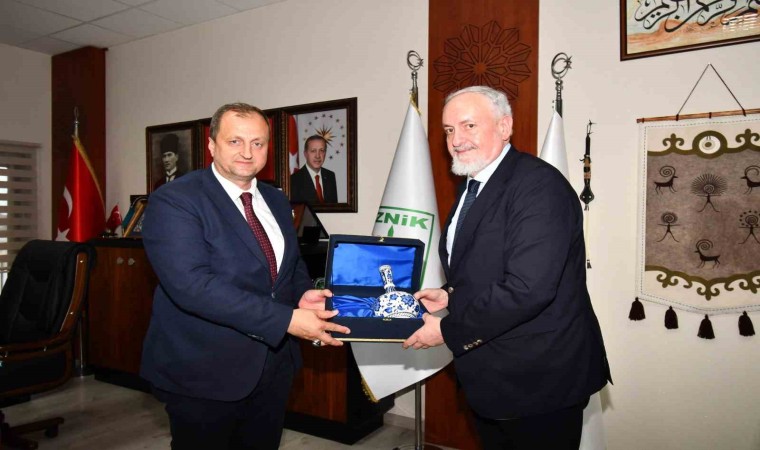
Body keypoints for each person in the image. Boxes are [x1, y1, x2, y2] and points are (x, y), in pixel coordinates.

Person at [403, 86, 611, 450]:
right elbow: (486, 263)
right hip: (494, 379)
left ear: (504, 127)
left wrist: (448, 330)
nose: (456, 140)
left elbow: (529, 288)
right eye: (449, 130)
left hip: (539, 383)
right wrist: (450, 294)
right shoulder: (474, 184)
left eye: (469, 125)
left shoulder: (538, 186)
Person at [140, 102, 350, 450]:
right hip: (203, 371)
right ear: (212, 145)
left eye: (258, 143)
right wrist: (286, 319)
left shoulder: (277, 199)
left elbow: (290, 263)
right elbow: (193, 287)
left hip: (274, 366)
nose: (247, 152)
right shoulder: (175, 200)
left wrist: (302, 294)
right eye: (235, 141)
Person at [289, 135, 338, 203]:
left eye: (321, 150)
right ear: (305, 154)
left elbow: (334, 207)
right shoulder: (294, 180)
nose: (317, 156)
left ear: (325, 153)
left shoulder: (330, 176)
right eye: (313, 151)